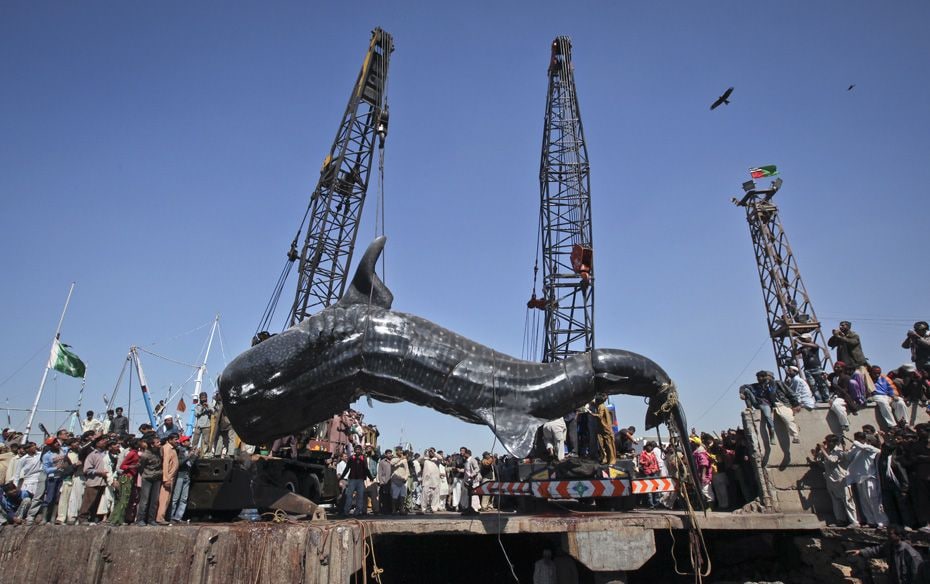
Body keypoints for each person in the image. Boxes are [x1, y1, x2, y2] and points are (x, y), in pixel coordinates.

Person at [847, 526, 923, 584]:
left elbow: (916, 574)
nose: (888, 535)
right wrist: (861, 552)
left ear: (899, 536)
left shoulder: (911, 554)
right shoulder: (890, 546)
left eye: (890, 534)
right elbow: (877, 550)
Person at [811, 435, 858, 527]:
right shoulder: (828, 452)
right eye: (826, 441)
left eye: (828, 442)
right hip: (831, 480)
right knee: (836, 501)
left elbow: (832, 460)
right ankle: (840, 520)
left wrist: (823, 450)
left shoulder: (838, 451)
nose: (827, 443)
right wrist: (818, 451)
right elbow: (820, 462)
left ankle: (854, 521)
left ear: (834, 443)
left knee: (847, 501)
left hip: (841, 479)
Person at [844, 432, 888, 527]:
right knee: (864, 501)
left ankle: (881, 522)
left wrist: (857, 443)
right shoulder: (857, 449)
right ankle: (871, 521)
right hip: (859, 478)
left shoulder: (872, 449)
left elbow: (865, 447)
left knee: (874, 500)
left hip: (870, 477)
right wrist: (854, 446)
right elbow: (847, 457)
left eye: (861, 439)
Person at [829, 321, 873, 394]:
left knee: (861, 379)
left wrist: (840, 337)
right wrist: (835, 336)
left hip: (855, 362)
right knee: (848, 380)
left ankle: (868, 394)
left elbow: (852, 342)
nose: (840, 327)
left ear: (848, 326)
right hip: (844, 363)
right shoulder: (839, 336)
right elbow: (830, 344)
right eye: (840, 325)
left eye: (843, 325)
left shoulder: (854, 335)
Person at [77, 436, 111, 524]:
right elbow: (87, 469)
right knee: (88, 501)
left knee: (97, 502)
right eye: (102, 440)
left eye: (104, 440)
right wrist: (99, 473)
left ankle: (93, 519)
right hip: (93, 481)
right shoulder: (92, 455)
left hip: (102, 482)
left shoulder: (107, 454)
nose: (104, 441)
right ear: (97, 443)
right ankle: (82, 518)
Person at [110, 438, 139, 525]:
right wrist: (133, 466)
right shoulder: (132, 453)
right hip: (126, 477)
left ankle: (115, 518)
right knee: (124, 499)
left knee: (124, 499)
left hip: (130, 477)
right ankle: (117, 520)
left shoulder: (134, 452)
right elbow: (122, 466)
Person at [740, 371, 776, 439]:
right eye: (758, 377)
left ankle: (772, 432)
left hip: (766, 404)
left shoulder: (770, 384)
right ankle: (749, 407)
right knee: (746, 390)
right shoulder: (755, 386)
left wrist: (773, 405)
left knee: (768, 417)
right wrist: (741, 393)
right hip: (757, 403)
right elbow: (743, 386)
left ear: (764, 377)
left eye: (760, 377)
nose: (758, 379)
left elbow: (772, 395)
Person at [135, 437, 163, 526]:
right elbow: (140, 467)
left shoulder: (159, 452)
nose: (159, 443)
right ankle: (140, 519)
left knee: (154, 500)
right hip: (147, 478)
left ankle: (151, 519)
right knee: (145, 500)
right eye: (157, 442)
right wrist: (146, 474)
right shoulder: (145, 455)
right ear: (152, 444)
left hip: (157, 478)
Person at [795, 333, 830, 402]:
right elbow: (795, 353)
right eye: (802, 339)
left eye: (804, 338)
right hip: (807, 369)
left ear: (810, 338)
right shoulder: (802, 348)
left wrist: (801, 342)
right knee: (812, 385)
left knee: (822, 384)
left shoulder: (814, 345)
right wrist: (795, 346)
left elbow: (815, 346)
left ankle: (826, 398)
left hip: (816, 368)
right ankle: (819, 399)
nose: (803, 340)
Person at [339, 448, 373, 516]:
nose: (358, 451)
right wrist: (342, 477)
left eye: (359, 449)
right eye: (356, 449)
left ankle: (357, 512)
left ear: (361, 451)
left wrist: (370, 476)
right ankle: (346, 511)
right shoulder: (351, 458)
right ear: (354, 451)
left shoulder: (363, 457)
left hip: (360, 480)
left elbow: (366, 468)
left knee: (360, 496)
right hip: (352, 479)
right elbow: (347, 468)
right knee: (349, 496)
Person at [170, 435, 196, 522]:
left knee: (184, 498)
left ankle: (178, 517)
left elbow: (190, 464)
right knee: (176, 497)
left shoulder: (188, 450)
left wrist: (195, 455)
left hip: (187, 475)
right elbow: (179, 463)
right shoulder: (180, 451)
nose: (189, 441)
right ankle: (170, 516)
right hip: (180, 475)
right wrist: (188, 456)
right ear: (183, 442)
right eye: (187, 440)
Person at [156, 433, 179, 525]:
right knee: (164, 499)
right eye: (175, 439)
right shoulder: (167, 448)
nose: (177, 441)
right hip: (168, 477)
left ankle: (162, 517)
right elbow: (165, 464)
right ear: (170, 440)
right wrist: (166, 479)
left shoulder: (172, 448)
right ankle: (160, 518)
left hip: (171, 476)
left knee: (167, 499)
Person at [594, 394, 616, 464]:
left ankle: (610, 460)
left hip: (605, 429)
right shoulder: (600, 406)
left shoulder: (601, 406)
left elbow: (600, 416)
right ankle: (606, 459)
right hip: (602, 429)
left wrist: (592, 414)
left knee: (608, 445)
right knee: (603, 445)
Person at [419, 448, 441, 514]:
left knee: (434, 495)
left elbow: (441, 458)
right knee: (424, 495)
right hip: (426, 480)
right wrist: (425, 453)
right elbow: (419, 460)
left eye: (432, 452)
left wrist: (434, 453)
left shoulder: (437, 460)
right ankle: (424, 508)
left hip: (435, 480)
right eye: (430, 452)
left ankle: (433, 508)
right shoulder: (425, 460)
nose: (431, 453)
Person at [639, 441, 660, 508]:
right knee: (649, 489)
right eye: (648, 446)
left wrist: (656, 469)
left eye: (651, 446)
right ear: (646, 446)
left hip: (653, 472)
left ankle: (656, 503)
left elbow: (656, 462)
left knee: (656, 487)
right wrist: (646, 462)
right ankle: (651, 504)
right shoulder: (643, 453)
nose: (649, 447)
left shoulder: (653, 454)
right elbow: (640, 461)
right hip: (647, 472)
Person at [390, 449, 409, 515]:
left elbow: (407, 470)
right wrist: (400, 459)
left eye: (401, 451)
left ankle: (401, 509)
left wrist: (406, 478)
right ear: (396, 452)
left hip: (403, 480)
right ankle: (393, 510)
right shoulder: (393, 459)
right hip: (395, 480)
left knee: (402, 496)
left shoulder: (405, 460)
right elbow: (392, 464)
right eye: (399, 450)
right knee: (394, 496)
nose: (401, 452)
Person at [376, 449, 393, 515]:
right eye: (388, 453)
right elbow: (379, 472)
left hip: (392, 482)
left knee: (391, 496)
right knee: (384, 497)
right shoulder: (382, 462)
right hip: (384, 482)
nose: (390, 454)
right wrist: (381, 481)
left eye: (390, 453)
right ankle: (383, 510)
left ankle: (390, 510)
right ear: (385, 454)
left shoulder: (393, 461)